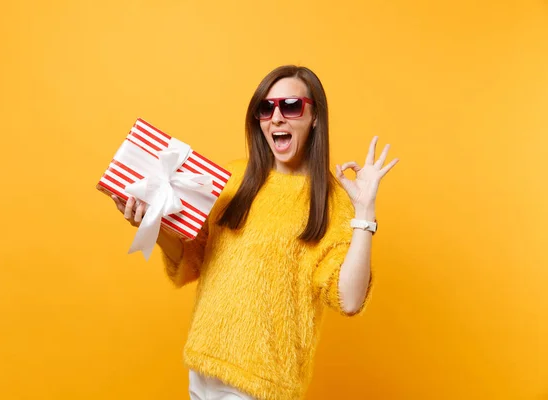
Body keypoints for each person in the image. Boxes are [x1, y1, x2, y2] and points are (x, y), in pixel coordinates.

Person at [112, 65, 399, 400]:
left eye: (290, 106)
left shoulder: (332, 203)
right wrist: (154, 224)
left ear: (315, 116)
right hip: (203, 368)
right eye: (266, 108)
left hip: (261, 384)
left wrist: (364, 212)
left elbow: (349, 299)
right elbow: (190, 262)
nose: (276, 117)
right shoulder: (232, 179)